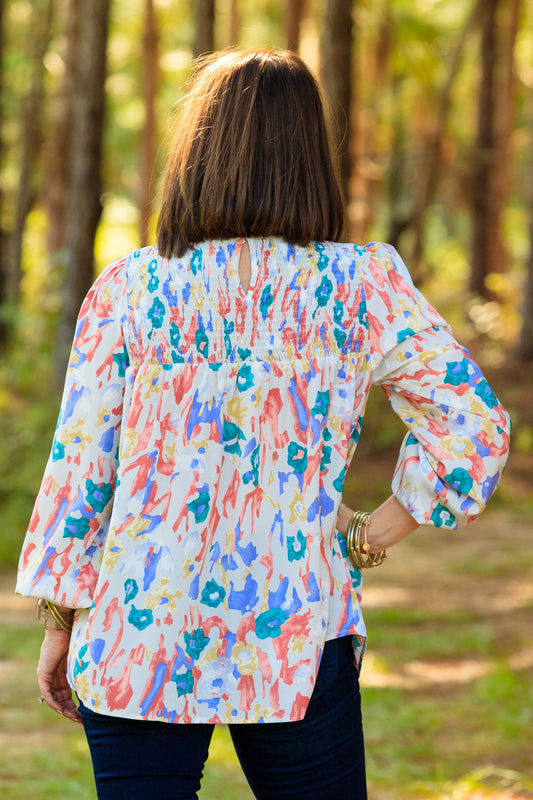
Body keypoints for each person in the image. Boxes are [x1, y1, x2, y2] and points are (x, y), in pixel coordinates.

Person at [16, 48, 510, 800]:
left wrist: (61, 617)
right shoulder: (360, 284)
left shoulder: (130, 287)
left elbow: (82, 467)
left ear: (197, 153)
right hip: (297, 627)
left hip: (137, 633)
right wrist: (368, 535)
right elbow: (471, 423)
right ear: (310, 155)